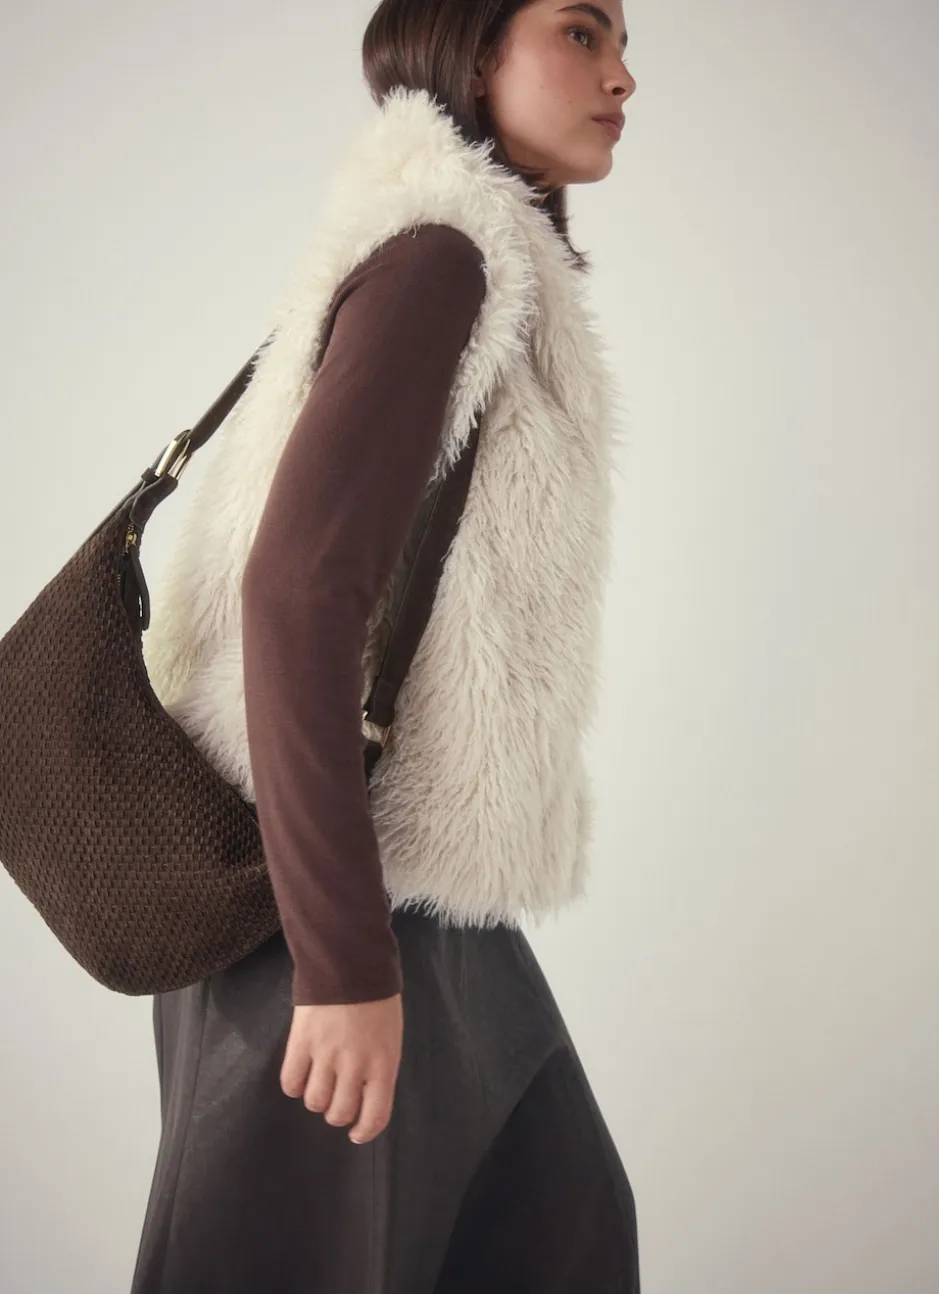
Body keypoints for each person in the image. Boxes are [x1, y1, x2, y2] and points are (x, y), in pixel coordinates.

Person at [130, 1, 639, 1290]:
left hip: (416, 894)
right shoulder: (441, 262)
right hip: (320, 899)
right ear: (474, 47)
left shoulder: (467, 263)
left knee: (562, 1224)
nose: (623, 76)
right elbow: (297, 592)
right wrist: (341, 962)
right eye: (583, 33)